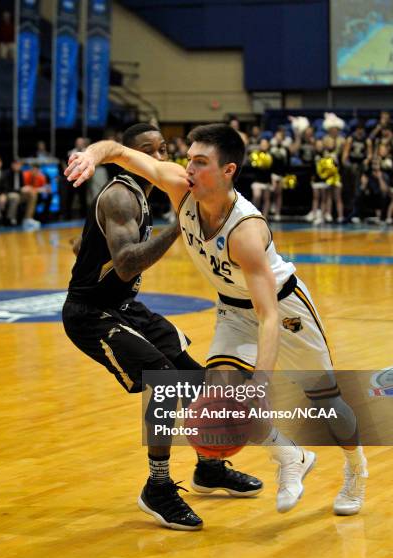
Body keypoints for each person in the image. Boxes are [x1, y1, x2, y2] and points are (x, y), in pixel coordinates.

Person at [66, 123, 369, 517]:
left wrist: (260, 383)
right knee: (219, 399)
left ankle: (356, 469)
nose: (187, 168)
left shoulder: (245, 230)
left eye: (200, 162)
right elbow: (120, 152)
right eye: (188, 158)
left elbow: (269, 316)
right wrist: (92, 155)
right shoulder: (179, 185)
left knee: (327, 404)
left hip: (284, 309)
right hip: (231, 308)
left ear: (228, 171)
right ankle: (288, 458)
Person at [62, 123, 263, 531]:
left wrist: (85, 245)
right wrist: (183, 226)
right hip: (91, 315)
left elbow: (102, 251)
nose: (161, 158)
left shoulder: (146, 195)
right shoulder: (120, 195)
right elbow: (126, 263)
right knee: (166, 382)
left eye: (165, 149)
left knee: (195, 378)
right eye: (150, 151)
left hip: (123, 305)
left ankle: (209, 467)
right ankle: (157, 486)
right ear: (130, 156)